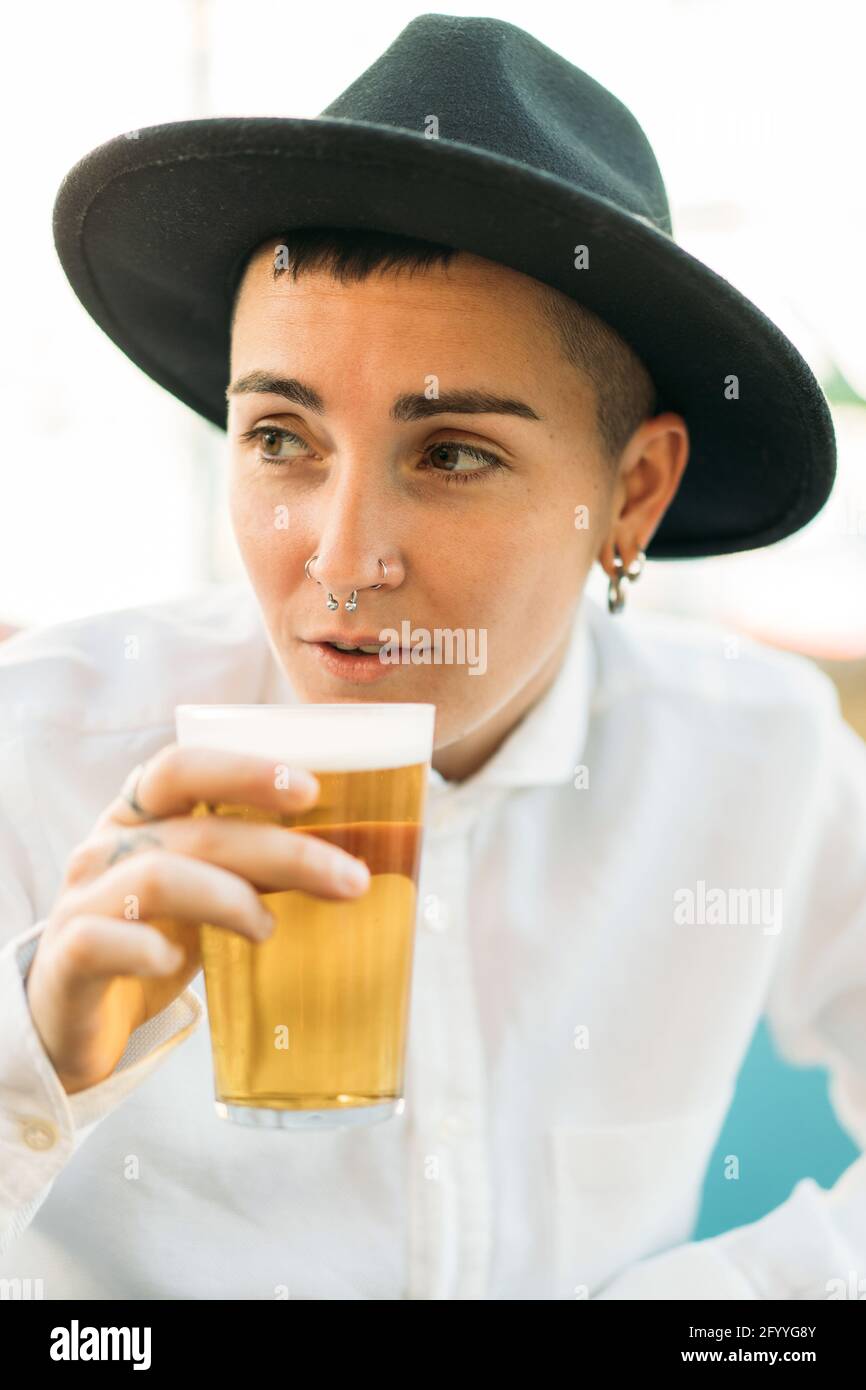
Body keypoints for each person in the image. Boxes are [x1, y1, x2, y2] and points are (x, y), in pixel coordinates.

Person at [1, 14, 862, 1301]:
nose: (341, 561)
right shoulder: (39, 745)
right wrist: (34, 1066)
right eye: (282, 438)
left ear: (630, 496)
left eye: (451, 453)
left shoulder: (757, 750)